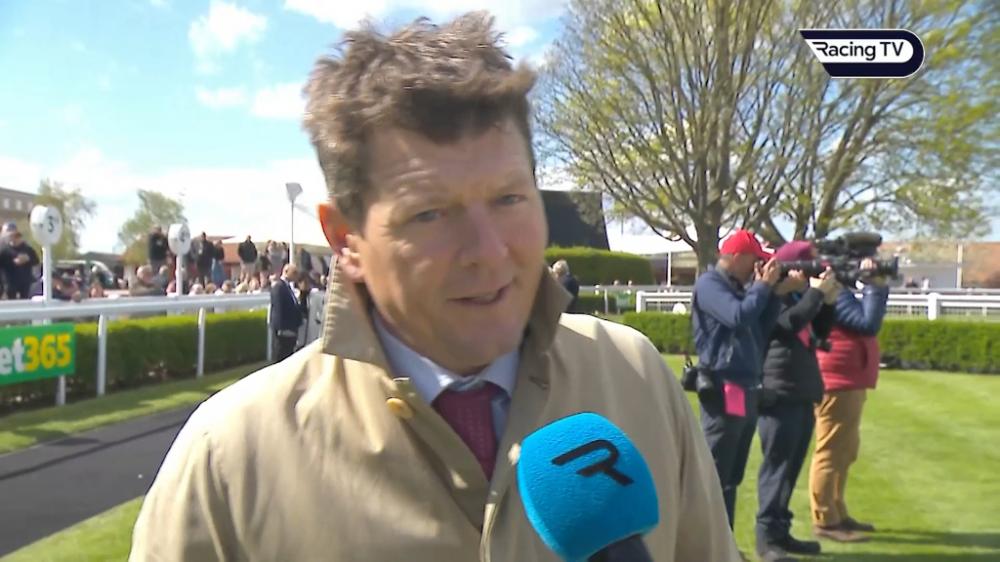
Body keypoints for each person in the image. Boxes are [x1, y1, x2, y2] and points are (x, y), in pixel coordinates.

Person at [129, 13, 740, 562]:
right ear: (344, 239)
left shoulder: (634, 377)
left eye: (509, 199)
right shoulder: (229, 459)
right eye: (429, 213)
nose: (488, 251)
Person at [692, 229, 799, 539]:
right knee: (716, 473)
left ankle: (724, 544)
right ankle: (706, 546)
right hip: (722, 387)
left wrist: (775, 295)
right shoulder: (710, 284)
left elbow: (758, 329)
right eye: (755, 260)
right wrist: (763, 287)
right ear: (737, 257)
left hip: (745, 386)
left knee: (732, 474)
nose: (758, 267)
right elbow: (737, 316)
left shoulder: (741, 288)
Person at [755, 242, 841, 562]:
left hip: (800, 390)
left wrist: (827, 302)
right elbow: (789, 324)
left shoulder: (794, 296)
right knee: (776, 468)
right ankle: (766, 540)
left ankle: (781, 532)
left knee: (790, 469)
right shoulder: (769, 297)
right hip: (778, 391)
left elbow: (819, 329)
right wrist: (816, 294)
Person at [810, 259, 890, 543]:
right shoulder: (836, 293)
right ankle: (825, 518)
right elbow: (867, 324)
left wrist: (873, 285)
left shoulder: (838, 292)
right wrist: (874, 286)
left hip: (846, 379)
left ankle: (836, 510)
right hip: (837, 381)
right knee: (831, 451)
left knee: (845, 451)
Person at [269, 263, 303, 362]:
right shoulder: (279, 287)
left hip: (291, 330)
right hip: (283, 331)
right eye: (294, 272)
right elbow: (278, 309)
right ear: (286, 272)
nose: (296, 275)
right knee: (281, 357)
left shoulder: (288, 287)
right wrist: (280, 329)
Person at [1, 231, 39, 299]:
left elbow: (36, 261)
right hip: (10, 281)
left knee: (25, 299)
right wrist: (12, 262)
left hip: (25, 281)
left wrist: (28, 259)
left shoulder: (28, 249)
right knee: (11, 299)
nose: (14, 240)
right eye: (12, 237)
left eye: (17, 237)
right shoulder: (4, 250)